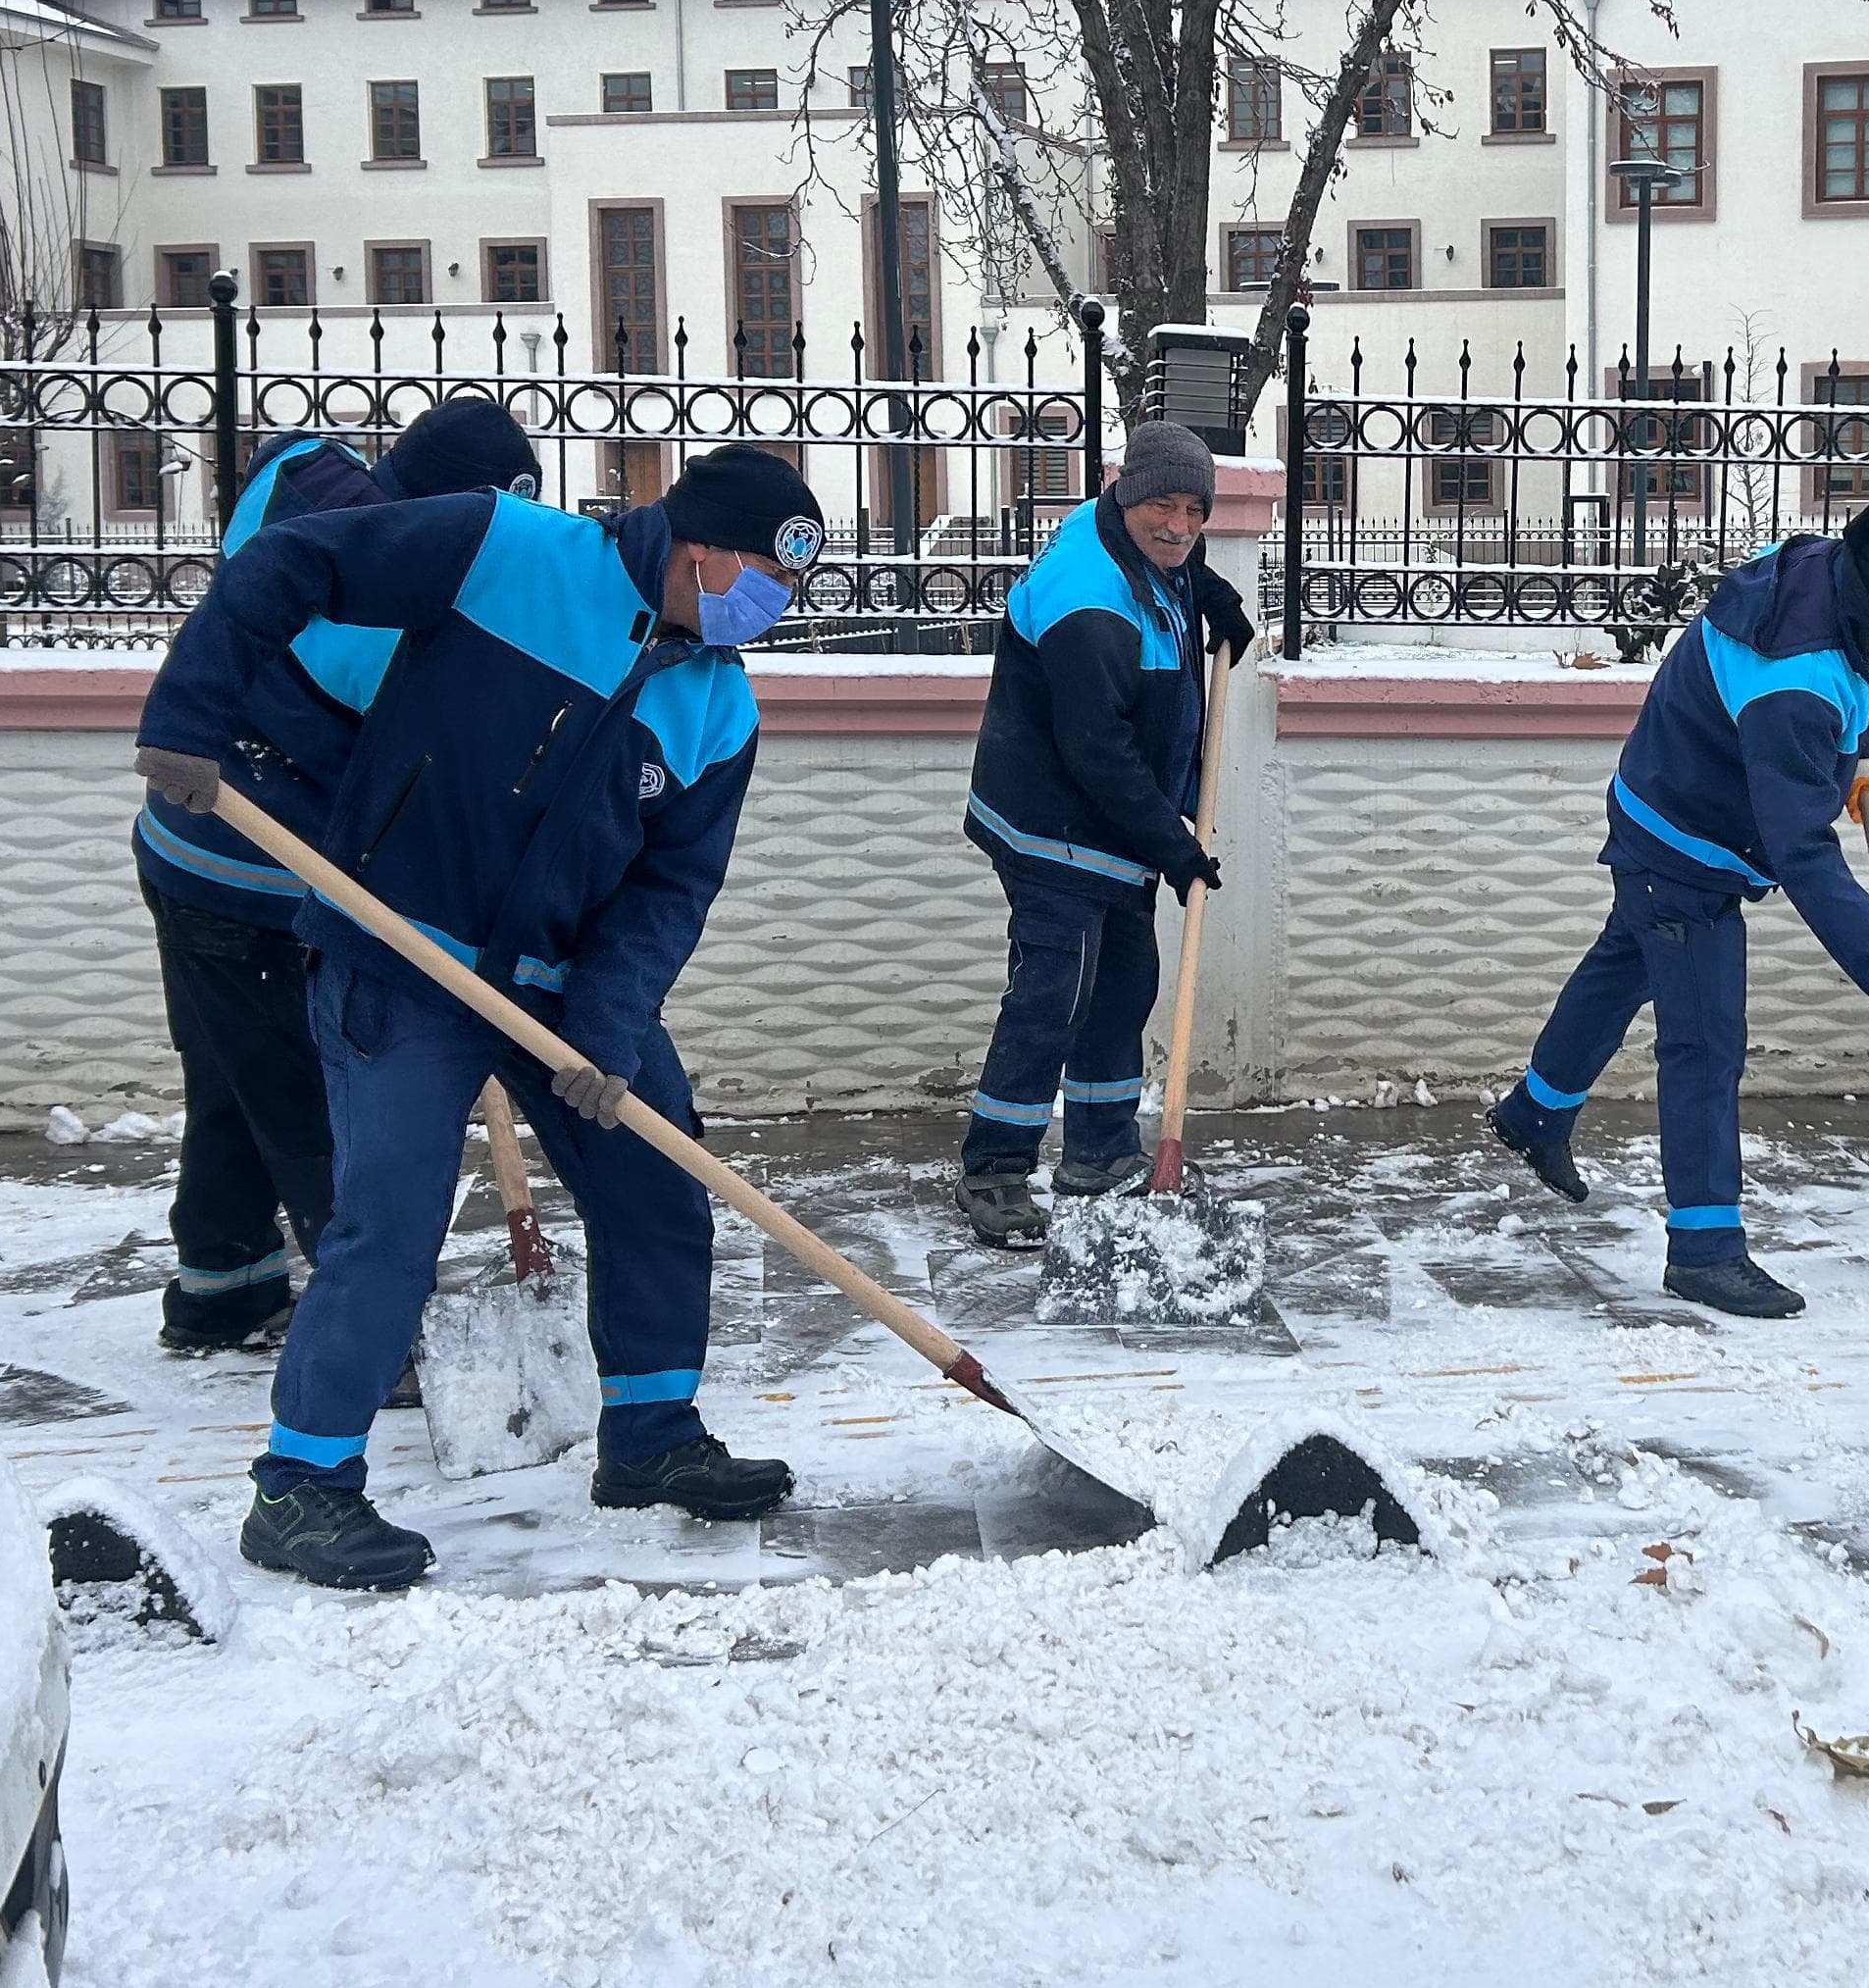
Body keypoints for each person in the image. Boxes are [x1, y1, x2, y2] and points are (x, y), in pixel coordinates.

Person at [132, 440, 823, 1590]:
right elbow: (294, 565)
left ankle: (649, 1438)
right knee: (390, 1225)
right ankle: (301, 1488)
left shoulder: (720, 708)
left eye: (790, 591)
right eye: (765, 578)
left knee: (660, 1183)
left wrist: (607, 1029)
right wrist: (190, 717)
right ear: (699, 548)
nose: (772, 608)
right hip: (405, 954)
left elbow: (667, 892)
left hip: (560, 985)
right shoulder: (507, 551)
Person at [1486, 489, 1869, 1318]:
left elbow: (1856, 667)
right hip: (1686, 848)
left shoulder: (1827, 577)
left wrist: (1860, 753)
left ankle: (1535, 1112)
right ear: (1868, 591)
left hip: (1660, 801)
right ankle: (1705, 1251)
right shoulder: (1796, 682)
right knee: (1706, 1041)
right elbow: (1802, 848)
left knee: (1620, 967)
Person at [129, 398, 540, 1356]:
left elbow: (296, 445)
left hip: (178, 852)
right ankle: (373, 1338)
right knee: (310, 1109)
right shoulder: (391, 629)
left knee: (234, 1082)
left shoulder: (293, 482)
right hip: (264, 885)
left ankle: (221, 1290)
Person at [951, 422, 1254, 1248]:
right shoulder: (1087, 599)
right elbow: (1098, 753)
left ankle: (1099, 1153)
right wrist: (1175, 843)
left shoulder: (1140, 546)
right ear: (1125, 490)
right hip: (1056, 825)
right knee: (1055, 995)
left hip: (1117, 828)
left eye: (1197, 510)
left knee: (1123, 987)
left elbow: (1173, 563)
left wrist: (1210, 593)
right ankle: (996, 1170)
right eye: (1164, 504)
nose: (1181, 526)